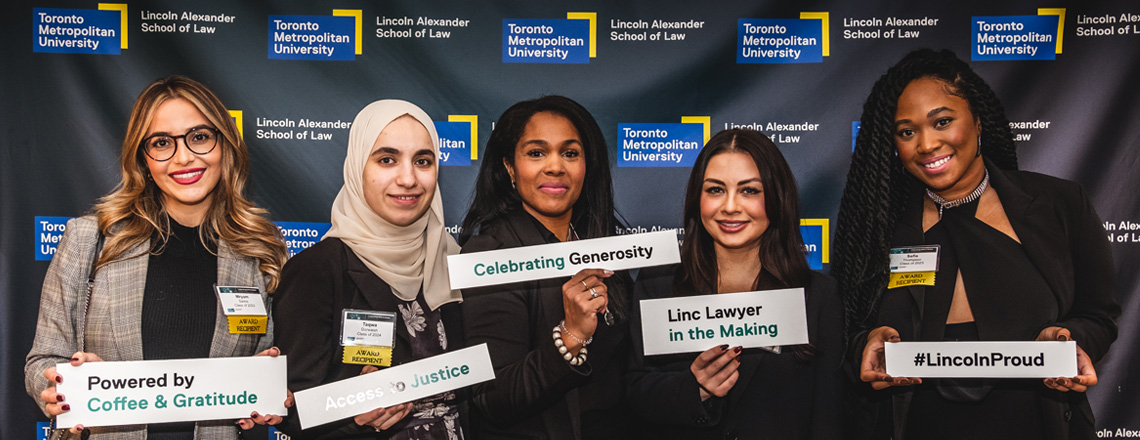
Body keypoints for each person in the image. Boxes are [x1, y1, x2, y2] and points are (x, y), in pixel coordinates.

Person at [833, 49, 1120, 439]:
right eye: (906, 131)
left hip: (1038, 425)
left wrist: (1069, 340)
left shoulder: (1060, 205)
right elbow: (848, 327)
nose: (927, 144)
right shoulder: (878, 228)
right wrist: (865, 344)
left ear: (978, 120)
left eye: (943, 121)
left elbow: (1098, 314)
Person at [24, 75, 288, 438]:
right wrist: (57, 383)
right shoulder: (90, 238)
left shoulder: (259, 248)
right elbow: (43, 359)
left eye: (199, 137)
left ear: (224, 144)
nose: (183, 157)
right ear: (143, 159)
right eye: (161, 143)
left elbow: (269, 359)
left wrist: (269, 387)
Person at [625, 129, 844, 439]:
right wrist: (695, 388)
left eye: (749, 191)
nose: (730, 206)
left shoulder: (817, 296)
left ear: (776, 196)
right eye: (715, 190)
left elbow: (827, 419)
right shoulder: (657, 285)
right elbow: (636, 393)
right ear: (696, 197)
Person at [273, 100, 465, 439]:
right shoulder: (317, 270)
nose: (408, 178)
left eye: (423, 161)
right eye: (387, 159)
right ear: (358, 166)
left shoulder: (456, 262)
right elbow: (289, 413)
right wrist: (355, 417)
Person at [458, 95, 633, 439]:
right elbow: (493, 400)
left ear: (587, 165)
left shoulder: (607, 244)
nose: (555, 166)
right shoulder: (490, 253)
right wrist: (571, 337)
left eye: (570, 153)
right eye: (536, 153)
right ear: (509, 166)